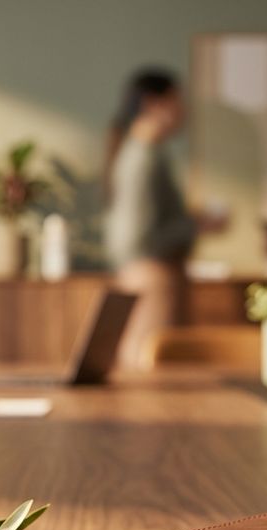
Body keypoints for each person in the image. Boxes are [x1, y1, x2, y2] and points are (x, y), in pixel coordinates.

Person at [104, 68, 223, 370]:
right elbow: (139, 236)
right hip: (152, 277)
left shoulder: (146, 153)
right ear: (153, 104)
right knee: (153, 374)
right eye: (176, 100)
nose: (183, 110)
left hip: (150, 275)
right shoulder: (143, 158)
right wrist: (195, 225)